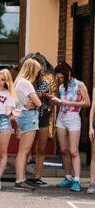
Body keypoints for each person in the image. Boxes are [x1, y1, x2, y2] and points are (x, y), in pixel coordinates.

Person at [51, 62, 90, 192]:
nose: (60, 80)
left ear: (68, 73)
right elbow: (61, 103)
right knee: (64, 150)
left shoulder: (80, 84)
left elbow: (87, 103)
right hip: (61, 118)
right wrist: (55, 101)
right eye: (58, 78)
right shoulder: (62, 87)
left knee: (74, 150)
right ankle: (68, 177)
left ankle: (77, 179)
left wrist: (65, 102)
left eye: (61, 77)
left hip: (74, 118)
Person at [12, 59, 44, 191]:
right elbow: (38, 103)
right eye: (36, 70)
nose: (37, 73)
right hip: (28, 116)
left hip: (22, 115)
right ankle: (20, 180)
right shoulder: (26, 83)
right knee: (24, 151)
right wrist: (35, 102)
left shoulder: (18, 82)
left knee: (23, 151)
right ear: (31, 69)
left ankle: (22, 178)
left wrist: (31, 103)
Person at [26, 53, 56, 186]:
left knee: (41, 148)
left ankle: (37, 177)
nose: (41, 70)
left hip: (43, 114)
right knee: (26, 147)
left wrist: (44, 96)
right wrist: (43, 95)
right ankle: (22, 176)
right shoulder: (26, 81)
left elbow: (39, 97)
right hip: (29, 114)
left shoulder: (44, 81)